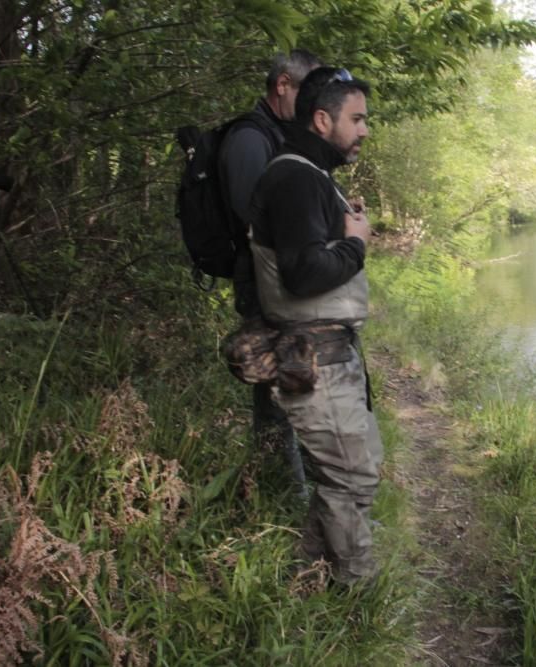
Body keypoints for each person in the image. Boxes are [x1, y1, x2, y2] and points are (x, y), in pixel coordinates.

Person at [247, 66, 381, 585]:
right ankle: (355, 598)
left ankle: (313, 577)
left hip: (329, 356)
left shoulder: (309, 175)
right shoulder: (296, 179)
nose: (365, 130)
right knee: (349, 480)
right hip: (316, 361)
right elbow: (304, 274)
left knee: (356, 474)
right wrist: (356, 243)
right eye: (358, 119)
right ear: (322, 120)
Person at [218, 49, 321, 498]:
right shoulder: (249, 141)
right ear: (283, 85)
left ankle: (295, 492)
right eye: (308, 92)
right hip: (264, 286)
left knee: (298, 383)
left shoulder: (277, 137)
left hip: (283, 282)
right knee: (278, 389)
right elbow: (254, 218)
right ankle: (286, 499)